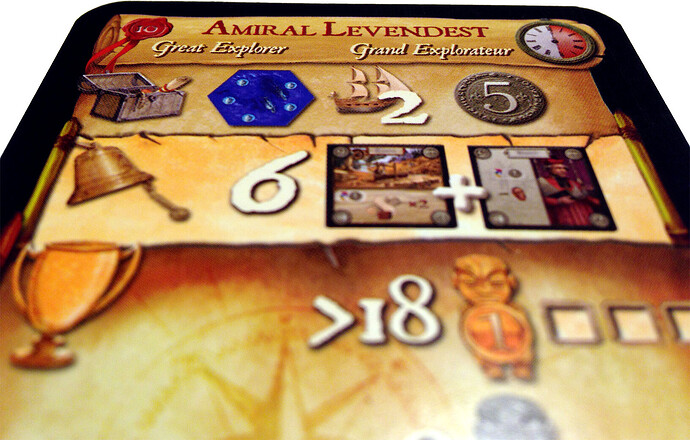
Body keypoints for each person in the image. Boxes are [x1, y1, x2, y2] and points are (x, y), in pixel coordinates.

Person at [537, 159, 600, 226]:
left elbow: (582, 196)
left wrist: (593, 200)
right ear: (549, 170)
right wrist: (558, 201)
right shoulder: (543, 182)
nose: (563, 170)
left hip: (581, 212)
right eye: (558, 168)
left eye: (564, 168)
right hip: (561, 213)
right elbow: (539, 200)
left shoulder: (573, 182)